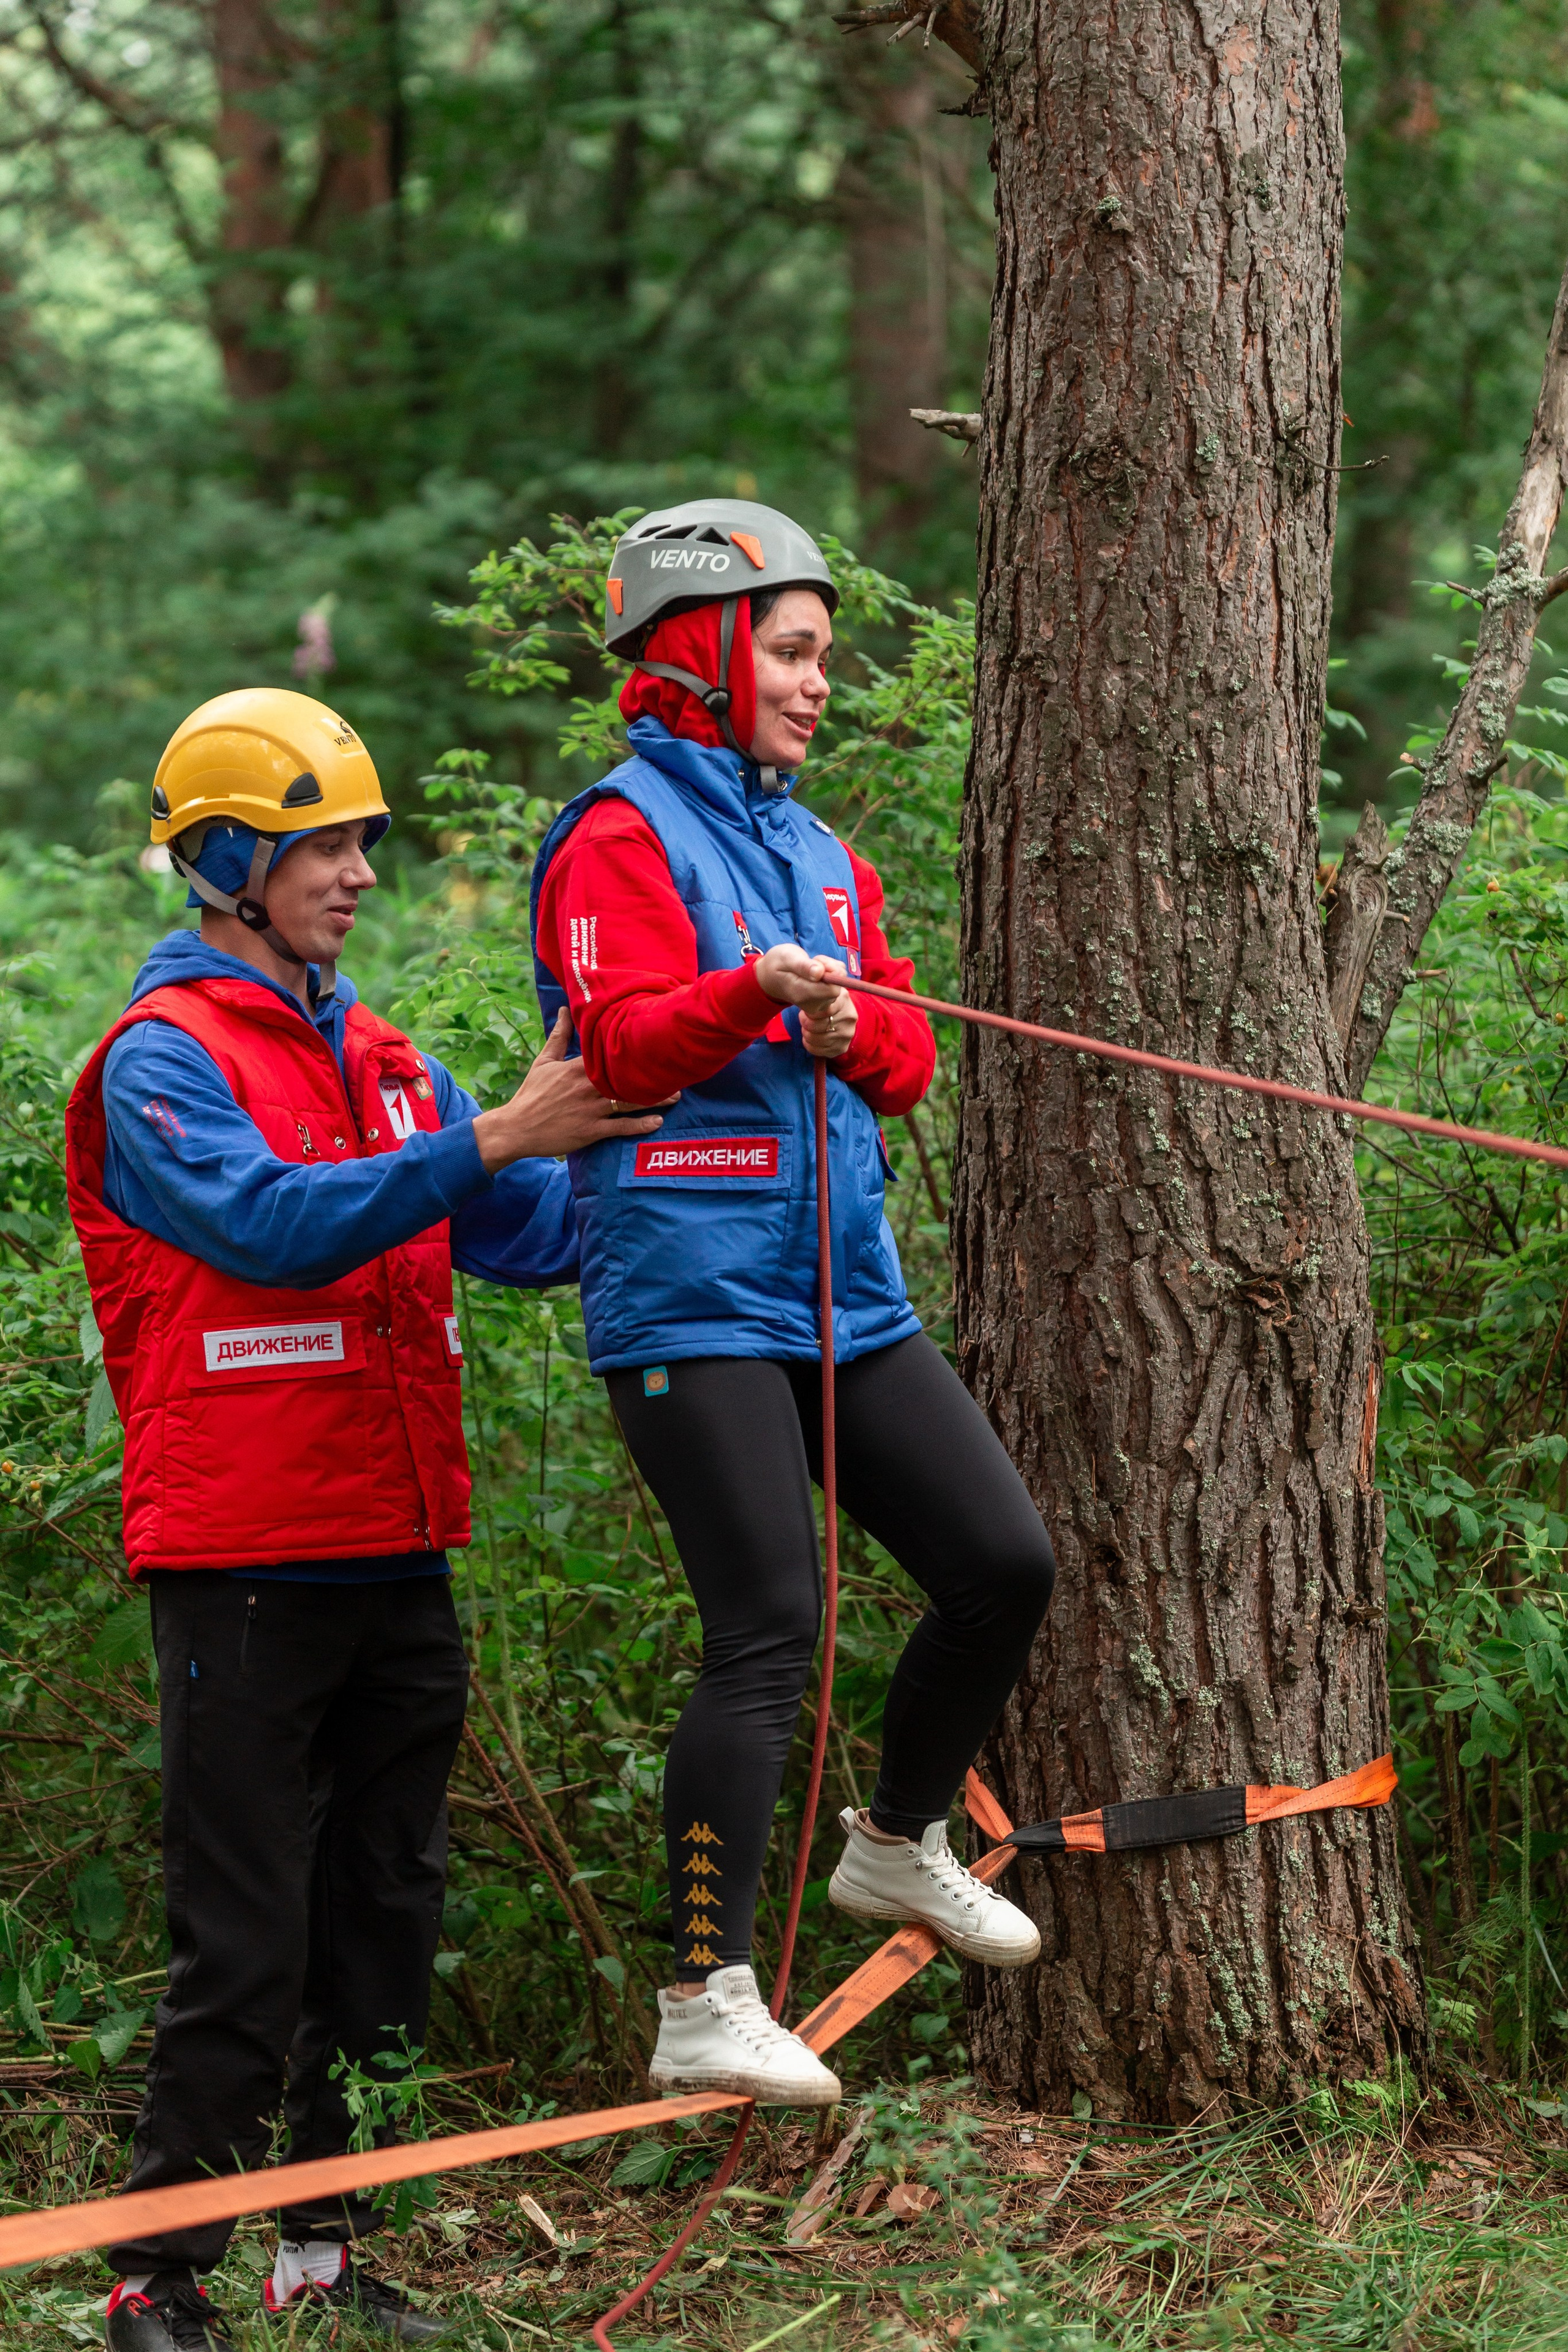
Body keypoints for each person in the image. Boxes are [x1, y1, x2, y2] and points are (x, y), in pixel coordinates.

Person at [66, 690, 667, 2352]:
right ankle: (153, 2276)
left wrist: (681, 1117)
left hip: (403, 1550)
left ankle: (319, 2254)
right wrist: (497, 1137)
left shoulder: (389, 1059)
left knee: (382, 1918)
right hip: (243, 1565)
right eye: (323, 842)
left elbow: (531, 1220)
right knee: (244, 1936)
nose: (355, 874)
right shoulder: (160, 1064)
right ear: (233, 858)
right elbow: (269, 1228)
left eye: (361, 842)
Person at [529, 499, 1058, 2109]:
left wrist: (845, 1034)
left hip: (843, 1293)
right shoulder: (612, 836)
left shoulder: (825, 853)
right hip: (691, 1296)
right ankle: (705, 1992)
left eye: (825, 653)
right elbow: (609, 1047)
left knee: (1002, 1565)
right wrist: (745, 994)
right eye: (793, 648)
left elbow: (904, 1059)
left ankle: (897, 1846)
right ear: (701, 649)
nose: (821, 681)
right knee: (768, 1629)